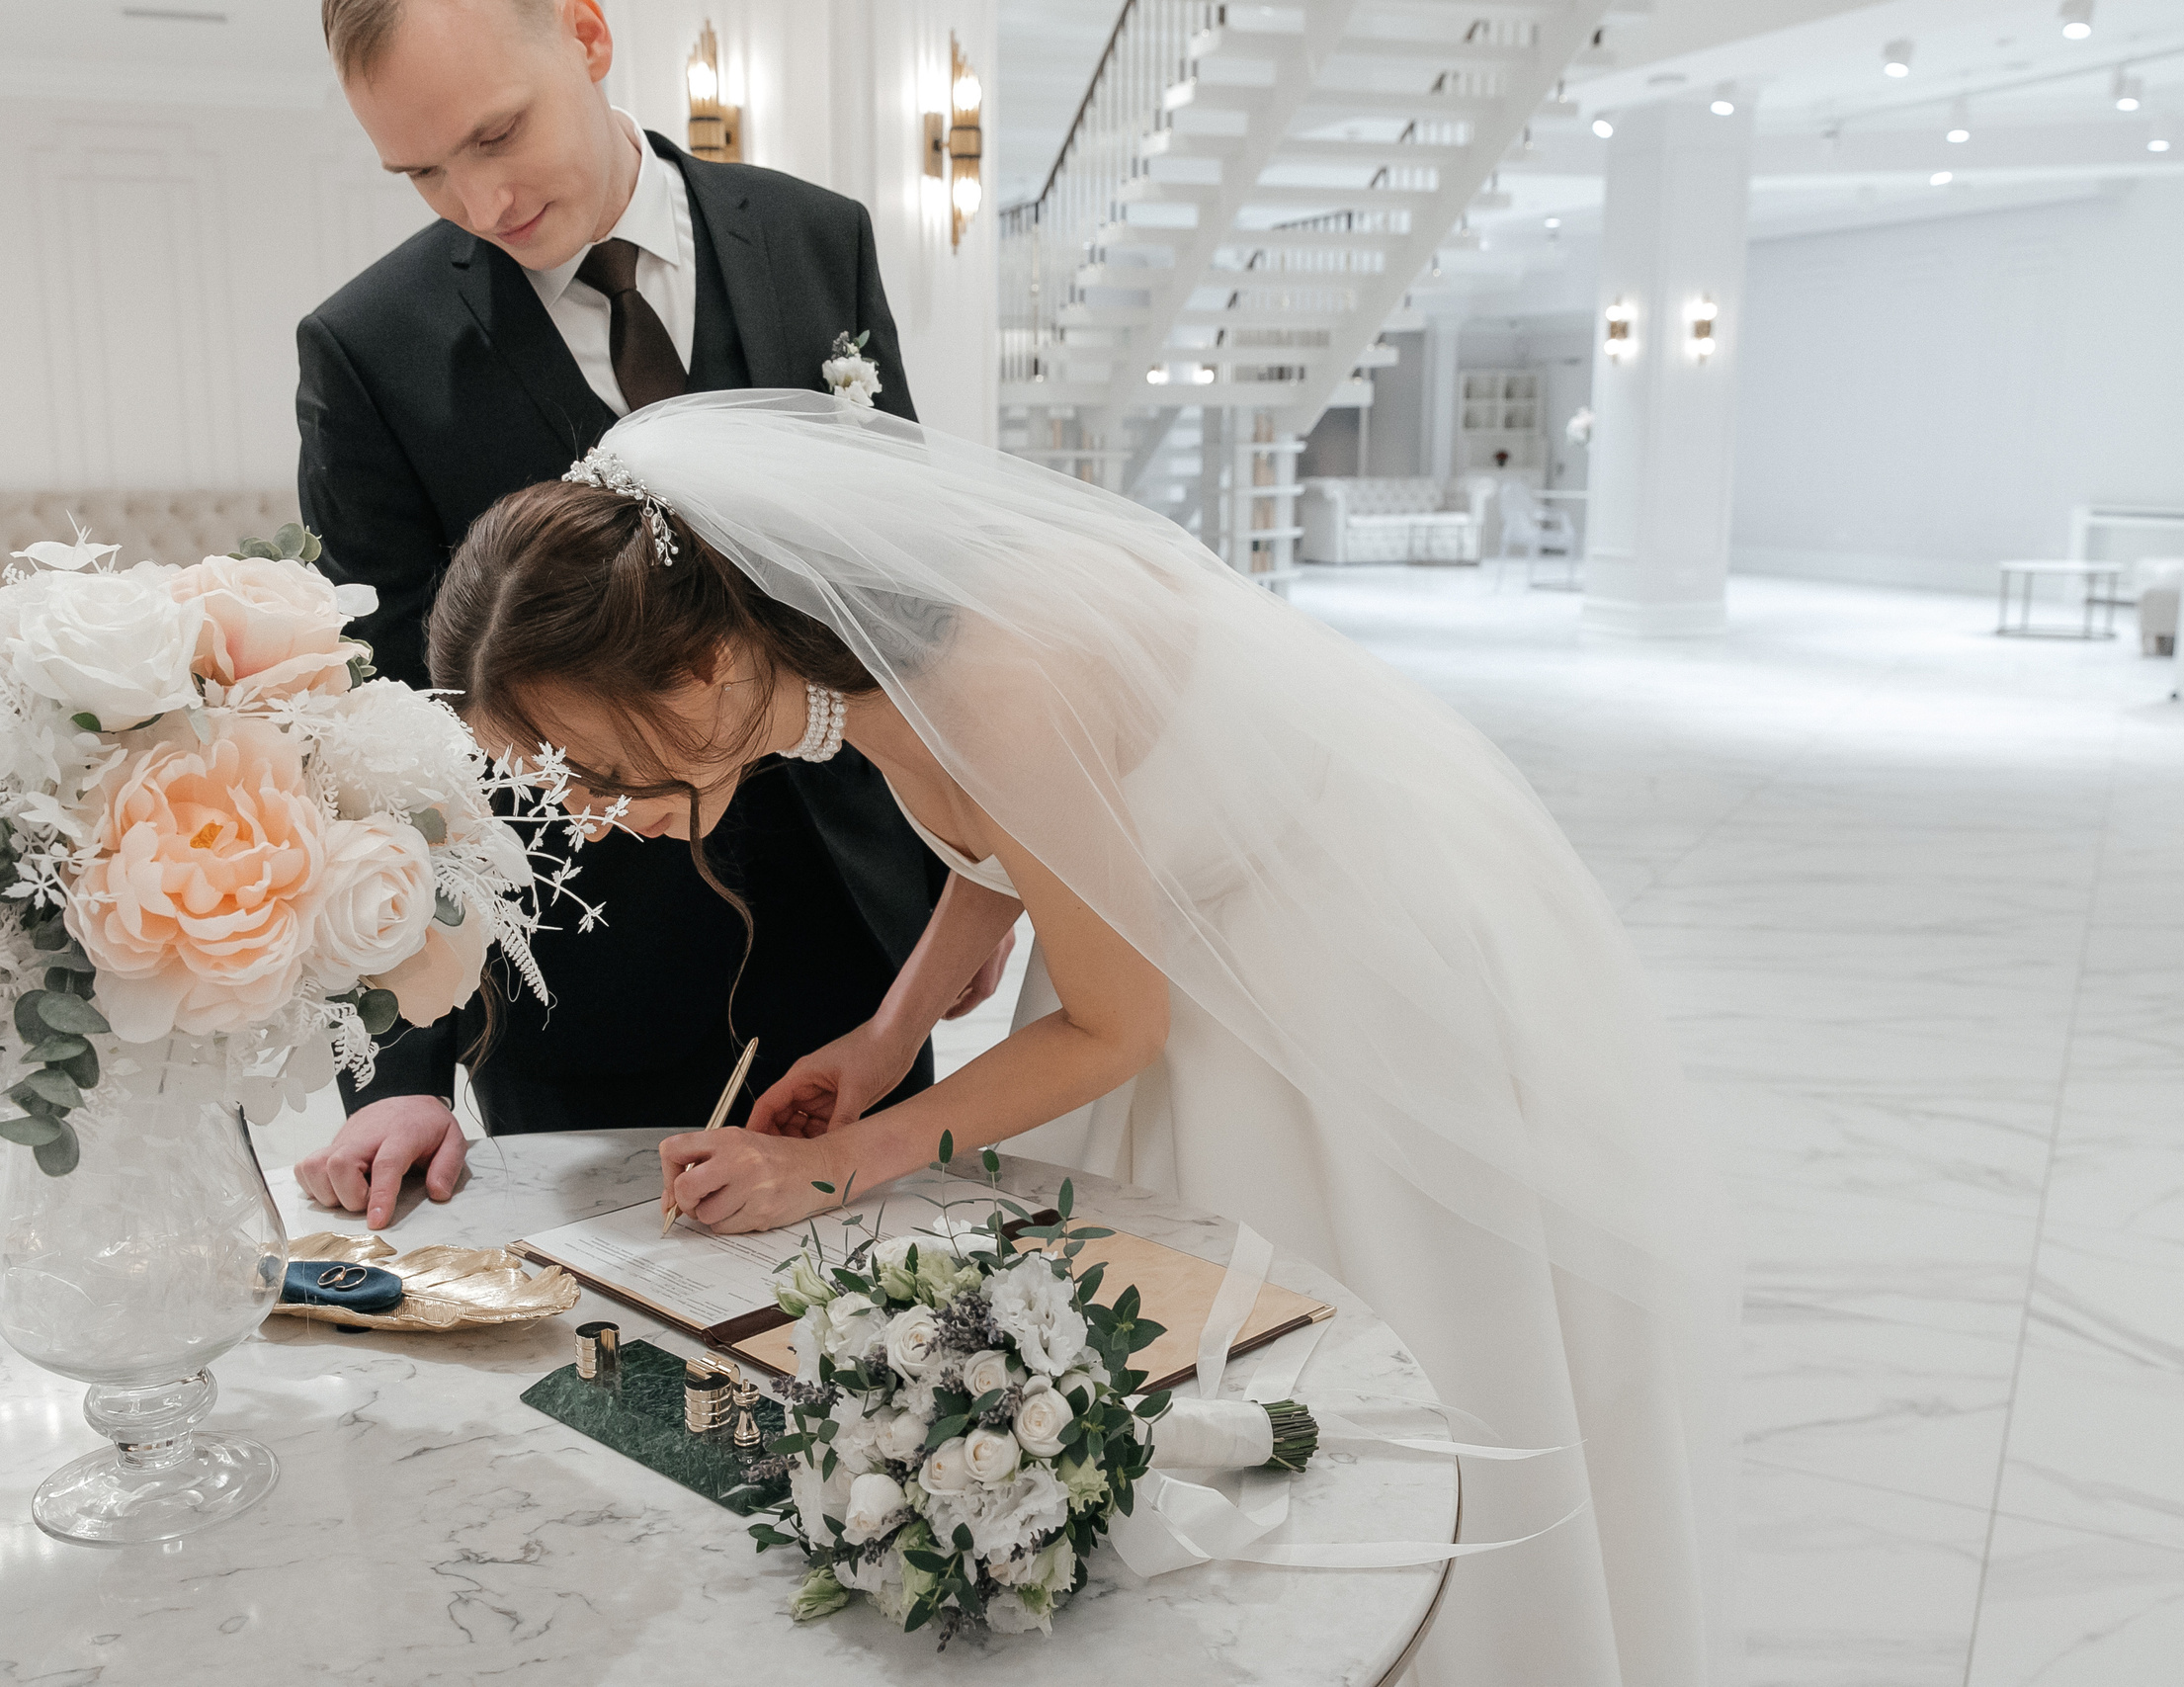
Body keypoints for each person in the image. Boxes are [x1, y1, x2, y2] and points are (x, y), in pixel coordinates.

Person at [425, 390, 1738, 1687]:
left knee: (1380, 1329)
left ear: (704, 666)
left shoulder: (996, 673)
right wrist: (888, 1034)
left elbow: (1114, 1021)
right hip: (1181, 922)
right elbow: (1017, 832)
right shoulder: (843, 653)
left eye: (593, 770)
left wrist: (841, 1163)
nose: (590, 815)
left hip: (1330, 945)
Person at [289, 0, 1004, 1226]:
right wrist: (400, 1073)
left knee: (882, 1305)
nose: (478, 200)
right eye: (422, 172)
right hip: (586, 973)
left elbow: (900, 579)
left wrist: (964, 866)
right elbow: (393, 735)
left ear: (584, 31)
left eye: (498, 134)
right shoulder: (369, 348)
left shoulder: (813, 237)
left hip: (853, 936)